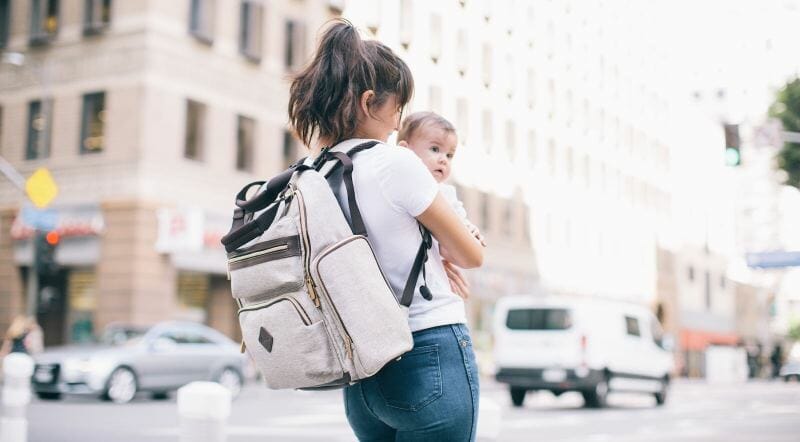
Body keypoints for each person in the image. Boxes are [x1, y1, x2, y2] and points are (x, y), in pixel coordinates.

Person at [288, 19, 484, 441]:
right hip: (428, 350)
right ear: (369, 102)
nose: (398, 123)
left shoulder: (311, 171)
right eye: (398, 108)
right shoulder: (395, 163)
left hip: (364, 369)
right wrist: (444, 255)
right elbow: (471, 255)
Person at [397, 111, 486, 299]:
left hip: (432, 293)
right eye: (435, 149)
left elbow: (453, 251)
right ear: (405, 151)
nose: (443, 159)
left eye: (450, 154)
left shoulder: (447, 195)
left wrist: (469, 231)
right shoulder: (397, 186)